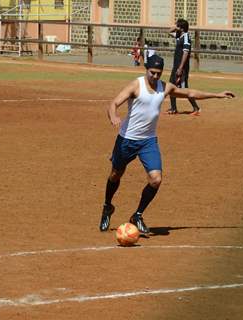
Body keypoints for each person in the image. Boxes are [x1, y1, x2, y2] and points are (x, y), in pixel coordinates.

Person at [99, 55, 234, 234]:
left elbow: (190, 93)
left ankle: (137, 215)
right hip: (127, 139)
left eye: (158, 73)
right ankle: (108, 206)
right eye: (152, 72)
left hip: (148, 141)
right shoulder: (136, 85)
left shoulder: (165, 87)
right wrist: (114, 116)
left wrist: (216, 95)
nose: (155, 76)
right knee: (115, 174)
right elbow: (114, 103)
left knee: (156, 179)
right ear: (146, 69)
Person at [167, 18, 200, 115]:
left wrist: (181, 68)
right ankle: (173, 108)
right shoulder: (179, 36)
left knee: (184, 89)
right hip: (176, 66)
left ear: (181, 28)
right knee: (171, 86)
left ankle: (196, 108)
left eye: (177, 25)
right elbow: (169, 32)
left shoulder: (186, 37)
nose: (175, 26)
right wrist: (175, 27)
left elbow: (186, 53)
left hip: (182, 68)